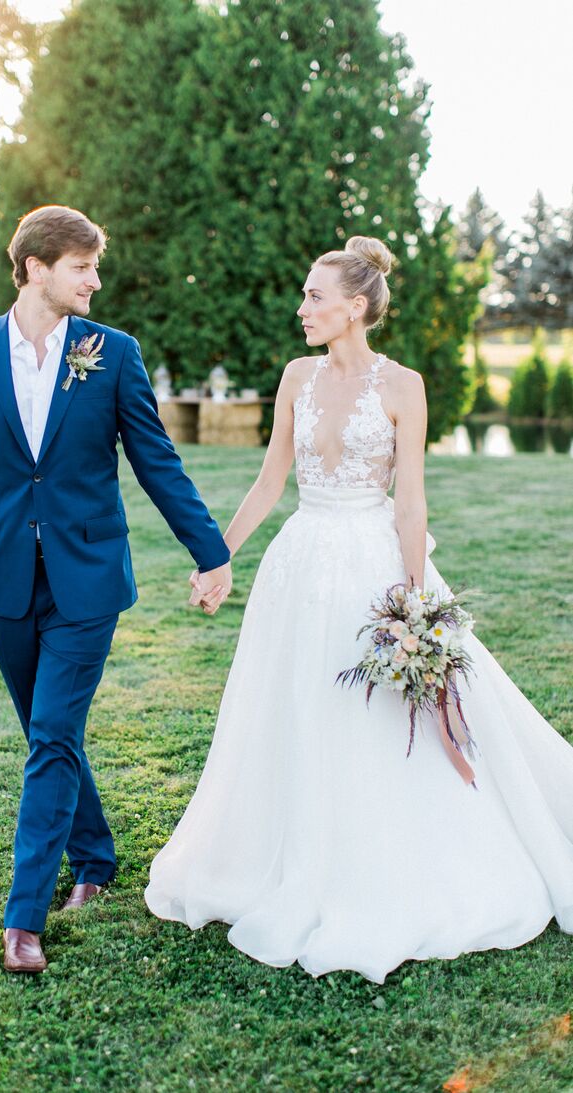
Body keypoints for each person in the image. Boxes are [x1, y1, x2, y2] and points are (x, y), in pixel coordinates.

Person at [145, 235, 573, 984]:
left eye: (314, 296)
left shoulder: (402, 385)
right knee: (296, 707)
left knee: (382, 715)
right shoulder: (295, 376)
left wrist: (413, 602)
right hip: (300, 561)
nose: (301, 307)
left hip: (375, 563)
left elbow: (409, 500)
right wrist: (220, 556)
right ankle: (291, 849)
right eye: (305, 295)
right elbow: (270, 477)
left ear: (355, 306)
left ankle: (393, 855)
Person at [0, 205, 231, 973]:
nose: (95, 279)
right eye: (81, 266)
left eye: (95, 266)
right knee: (46, 733)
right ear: (34, 267)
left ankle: (23, 920)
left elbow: (156, 462)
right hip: (3, 579)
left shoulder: (112, 353)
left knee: (53, 733)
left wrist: (211, 552)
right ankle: (93, 854)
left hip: (88, 579)